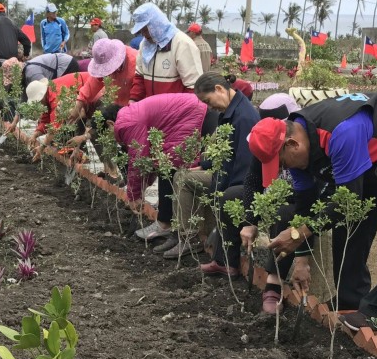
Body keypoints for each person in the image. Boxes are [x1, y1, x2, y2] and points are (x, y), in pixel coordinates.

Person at [245, 93, 377, 329]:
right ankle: (350, 299)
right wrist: (301, 258)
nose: (283, 170)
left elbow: (347, 202)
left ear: (292, 145)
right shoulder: (300, 142)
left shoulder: (341, 133)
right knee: (348, 223)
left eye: (282, 163)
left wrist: (298, 234)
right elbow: (306, 205)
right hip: (373, 153)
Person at [153, 72, 259, 264]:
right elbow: (223, 150)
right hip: (223, 173)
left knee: (184, 179)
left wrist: (225, 192)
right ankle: (180, 234)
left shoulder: (244, 117)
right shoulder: (230, 111)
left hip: (233, 182)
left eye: (208, 101)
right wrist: (204, 164)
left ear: (219, 89)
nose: (210, 107)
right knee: (182, 174)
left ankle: (189, 237)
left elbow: (245, 165)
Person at [95, 95, 219, 236]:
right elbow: (148, 158)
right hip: (194, 113)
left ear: (110, 124)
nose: (111, 138)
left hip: (194, 115)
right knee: (166, 164)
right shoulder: (129, 115)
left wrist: (133, 195)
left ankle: (166, 225)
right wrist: (140, 189)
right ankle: (172, 223)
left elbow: (138, 158)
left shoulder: (126, 123)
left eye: (107, 133)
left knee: (170, 165)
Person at [239, 94, 305, 314]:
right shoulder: (266, 138)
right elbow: (252, 180)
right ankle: (228, 260)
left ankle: (273, 283)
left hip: (298, 200)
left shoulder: (301, 144)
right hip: (271, 195)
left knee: (284, 213)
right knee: (231, 195)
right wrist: (250, 221)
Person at [129, 3, 203, 102]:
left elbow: (193, 87)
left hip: (176, 112)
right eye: (141, 30)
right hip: (153, 110)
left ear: (156, 24)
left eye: (146, 29)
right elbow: (140, 77)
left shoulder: (182, 44)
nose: (143, 34)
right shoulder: (145, 45)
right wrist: (133, 100)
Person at [68, 39, 137, 123]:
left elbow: (141, 92)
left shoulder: (135, 61)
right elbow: (93, 83)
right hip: (117, 106)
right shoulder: (104, 60)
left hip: (136, 108)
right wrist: (78, 105)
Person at [24, 73, 91, 160]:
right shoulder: (49, 94)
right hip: (83, 99)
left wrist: (42, 147)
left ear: (42, 96)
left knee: (72, 119)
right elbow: (46, 120)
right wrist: (35, 135)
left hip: (92, 91)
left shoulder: (56, 97)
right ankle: (77, 151)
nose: (39, 103)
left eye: (39, 101)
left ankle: (81, 152)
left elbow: (54, 128)